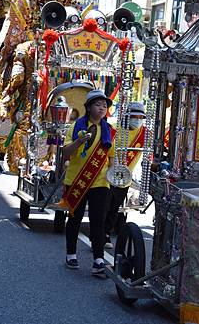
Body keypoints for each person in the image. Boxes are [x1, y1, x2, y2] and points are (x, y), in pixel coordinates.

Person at [61, 89, 115, 277]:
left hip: (100, 182)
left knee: (98, 220)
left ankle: (98, 259)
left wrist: (112, 174)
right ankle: (71, 254)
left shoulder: (107, 130)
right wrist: (79, 140)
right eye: (98, 105)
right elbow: (66, 152)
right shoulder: (76, 126)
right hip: (76, 180)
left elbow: (111, 156)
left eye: (104, 106)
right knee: (74, 219)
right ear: (89, 107)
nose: (102, 109)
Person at [103, 101, 146, 248]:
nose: (138, 120)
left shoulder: (144, 134)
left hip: (125, 178)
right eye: (134, 116)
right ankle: (100, 235)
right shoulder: (113, 129)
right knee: (105, 205)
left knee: (115, 207)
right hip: (108, 174)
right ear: (126, 116)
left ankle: (106, 232)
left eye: (141, 117)